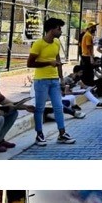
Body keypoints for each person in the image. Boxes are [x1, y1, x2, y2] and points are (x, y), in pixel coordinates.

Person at [27, 17, 77, 145]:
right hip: (41, 80)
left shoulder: (56, 43)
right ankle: (39, 135)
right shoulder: (38, 44)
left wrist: (61, 80)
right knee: (40, 108)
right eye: (59, 29)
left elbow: (58, 62)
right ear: (51, 29)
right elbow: (30, 63)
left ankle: (62, 133)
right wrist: (49, 63)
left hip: (54, 80)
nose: (61, 31)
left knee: (59, 107)